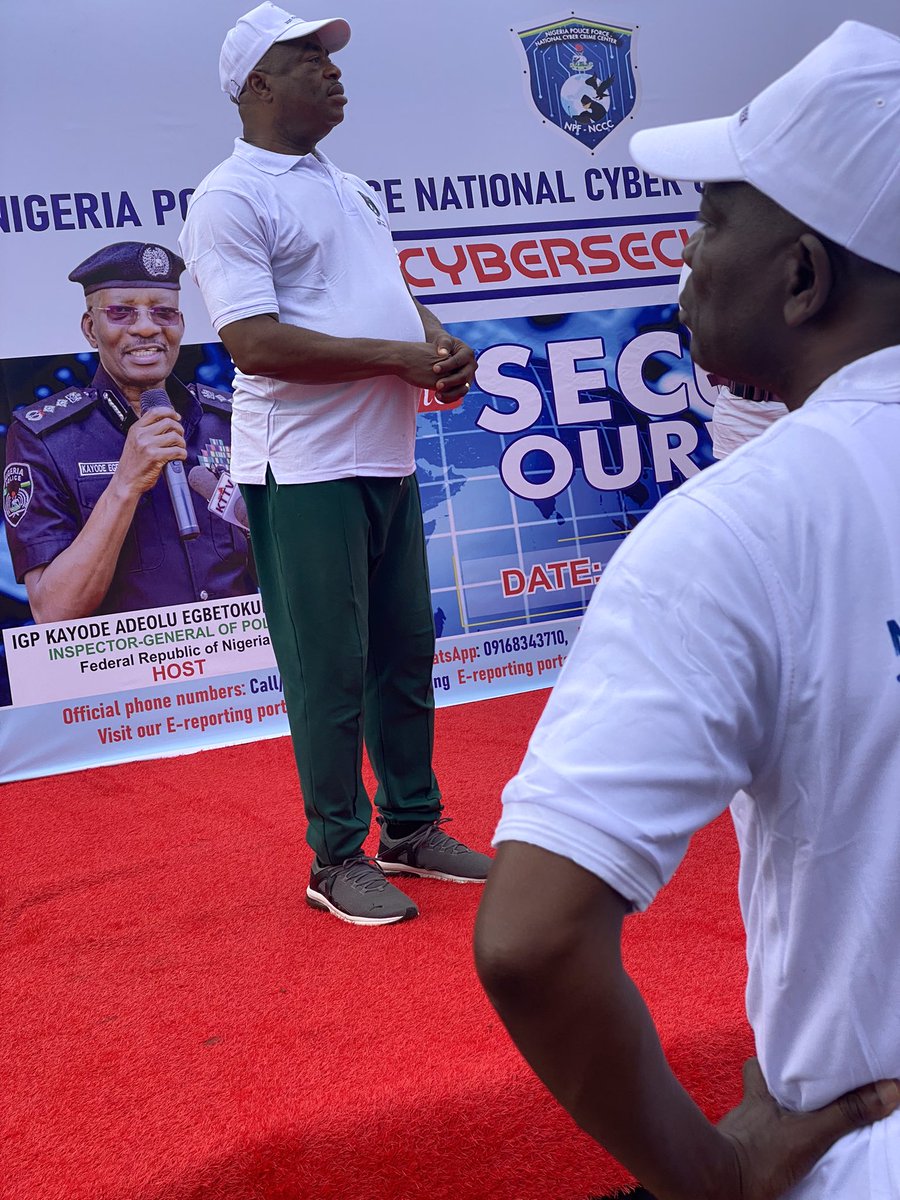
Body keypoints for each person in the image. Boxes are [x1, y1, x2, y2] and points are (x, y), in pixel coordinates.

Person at [475, 20, 900, 1200]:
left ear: (805, 274)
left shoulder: (743, 524)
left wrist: (713, 1178)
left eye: (713, 220)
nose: (686, 261)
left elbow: (533, 939)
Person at [179, 3, 490, 926]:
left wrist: (438, 346)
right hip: (304, 465)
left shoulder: (349, 188)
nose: (332, 69)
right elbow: (256, 342)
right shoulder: (231, 196)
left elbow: (394, 300)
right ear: (258, 86)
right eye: (308, 57)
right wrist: (399, 360)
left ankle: (412, 828)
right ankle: (336, 857)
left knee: (404, 653)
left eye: (332, 56)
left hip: (385, 453)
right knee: (329, 666)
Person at [2, 241, 255, 622]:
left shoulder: (231, 420)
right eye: (121, 312)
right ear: (91, 328)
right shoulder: (46, 439)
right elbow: (54, 611)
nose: (147, 327)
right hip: (125, 673)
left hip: (241, 667)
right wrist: (125, 482)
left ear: (181, 326)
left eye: (163, 312)